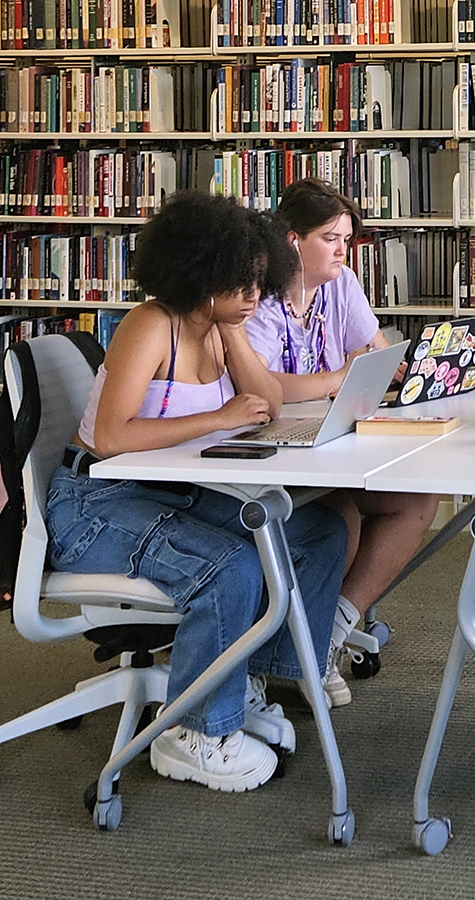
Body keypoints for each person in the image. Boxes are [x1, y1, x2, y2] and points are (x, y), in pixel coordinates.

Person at [45, 192, 348, 792]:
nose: (256, 295)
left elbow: (273, 402)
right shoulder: (151, 325)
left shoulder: (214, 327)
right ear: (203, 273)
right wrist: (217, 417)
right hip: (95, 503)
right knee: (229, 567)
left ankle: (249, 680)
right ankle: (195, 732)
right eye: (242, 282)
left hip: (165, 491)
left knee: (319, 531)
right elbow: (109, 436)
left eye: (260, 280)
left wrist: (229, 329)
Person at [244, 176, 439, 707]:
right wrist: (337, 378)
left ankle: (325, 634)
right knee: (342, 513)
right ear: (292, 239)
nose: (341, 250)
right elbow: (264, 387)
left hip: (329, 439)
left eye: (345, 239)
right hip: (267, 449)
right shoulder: (255, 297)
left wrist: (417, 370)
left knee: (418, 502)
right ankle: (289, 650)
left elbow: (373, 355)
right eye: (330, 237)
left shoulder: (340, 283)